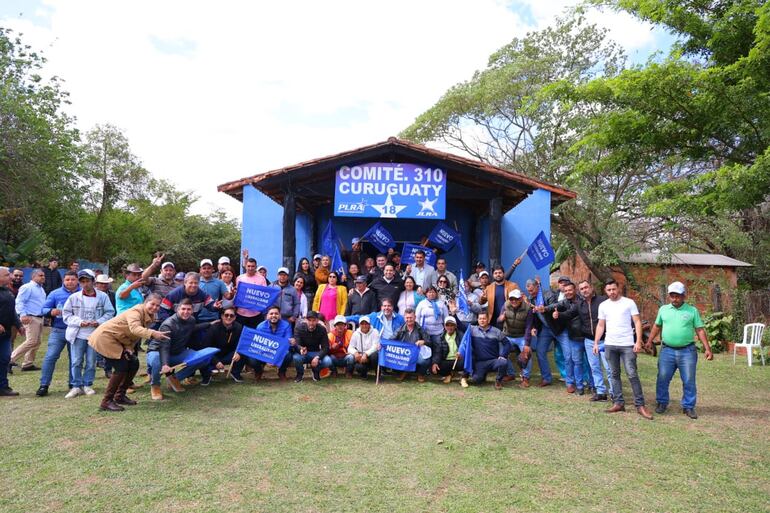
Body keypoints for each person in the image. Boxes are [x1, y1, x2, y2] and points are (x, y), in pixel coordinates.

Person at [88, 294, 170, 412]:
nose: (155, 307)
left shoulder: (149, 315)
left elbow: (133, 335)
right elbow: (135, 329)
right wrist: (152, 333)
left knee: (133, 363)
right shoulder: (136, 311)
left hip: (119, 339)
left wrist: (129, 347)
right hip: (105, 338)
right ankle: (106, 401)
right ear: (145, 303)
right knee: (121, 366)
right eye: (152, 304)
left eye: (158, 305)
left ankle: (120, 396)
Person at [647, 281, 712, 419]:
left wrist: (707, 349)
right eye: (672, 296)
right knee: (663, 377)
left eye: (678, 296)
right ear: (669, 296)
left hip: (687, 352)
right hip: (667, 351)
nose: (675, 299)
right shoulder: (663, 310)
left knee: (689, 379)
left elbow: (699, 330)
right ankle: (662, 403)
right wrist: (649, 341)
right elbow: (656, 326)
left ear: (684, 296)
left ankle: (688, 407)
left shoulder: (692, 311)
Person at [594, 279, 653, 420]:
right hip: (610, 344)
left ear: (618, 288)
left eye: (614, 289)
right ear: (605, 291)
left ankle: (640, 405)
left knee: (632, 374)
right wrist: (596, 342)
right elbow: (601, 325)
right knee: (614, 374)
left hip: (627, 344)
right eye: (609, 290)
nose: (612, 292)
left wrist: (638, 341)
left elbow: (637, 321)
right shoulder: (603, 305)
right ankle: (618, 402)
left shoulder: (629, 302)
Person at [146, 298, 217, 400]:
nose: (186, 312)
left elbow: (193, 328)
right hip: (157, 351)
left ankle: (175, 378)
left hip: (176, 352)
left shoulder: (191, 320)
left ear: (192, 311)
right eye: (183, 309)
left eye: (189, 309)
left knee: (203, 359)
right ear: (177, 309)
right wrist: (165, 364)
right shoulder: (168, 324)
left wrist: (209, 324)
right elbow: (164, 346)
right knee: (157, 360)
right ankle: (155, 386)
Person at [60, 270, 115, 398]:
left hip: (94, 334)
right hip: (78, 334)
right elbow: (66, 314)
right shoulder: (74, 297)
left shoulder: (103, 296)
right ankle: (76, 386)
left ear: (93, 281)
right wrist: (79, 322)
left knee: (91, 361)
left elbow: (110, 312)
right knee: (76, 361)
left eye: (87, 281)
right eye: (82, 281)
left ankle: (87, 384)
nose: (85, 284)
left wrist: (99, 321)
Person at [36, 270, 80, 396]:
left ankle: (74, 383)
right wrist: (51, 311)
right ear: (63, 281)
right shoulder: (55, 294)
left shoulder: (83, 293)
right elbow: (43, 309)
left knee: (75, 358)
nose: (70, 282)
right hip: (58, 330)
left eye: (73, 279)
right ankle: (44, 385)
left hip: (77, 331)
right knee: (50, 357)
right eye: (67, 280)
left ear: (77, 280)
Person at [541, 281, 586, 394]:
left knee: (587, 361)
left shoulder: (582, 301)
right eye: (565, 291)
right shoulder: (565, 302)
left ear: (575, 290)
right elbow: (555, 305)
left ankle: (590, 383)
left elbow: (571, 312)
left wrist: (559, 315)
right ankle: (570, 383)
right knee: (570, 358)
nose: (568, 292)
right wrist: (545, 309)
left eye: (570, 290)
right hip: (573, 335)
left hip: (586, 335)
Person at [232, 305, 295, 382]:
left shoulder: (286, 325)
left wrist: (274, 358)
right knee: (252, 358)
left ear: (280, 316)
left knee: (288, 354)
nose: (274, 315)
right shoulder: (260, 327)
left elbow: (286, 344)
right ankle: (259, 371)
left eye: (276, 313)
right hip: (263, 352)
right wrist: (268, 358)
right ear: (267, 316)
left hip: (279, 351)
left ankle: (281, 372)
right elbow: (257, 346)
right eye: (271, 314)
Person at [576, 280, 612, 401]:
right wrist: (557, 315)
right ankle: (601, 391)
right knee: (594, 367)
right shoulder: (580, 304)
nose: (584, 290)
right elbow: (568, 312)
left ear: (591, 287)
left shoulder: (603, 301)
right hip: (589, 341)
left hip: (605, 340)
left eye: (586, 287)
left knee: (609, 367)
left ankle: (614, 392)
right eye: (581, 289)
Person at [457, 311, 511, 389]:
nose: (482, 320)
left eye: (484, 319)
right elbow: (460, 325)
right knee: (476, 380)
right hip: (480, 363)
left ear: (488, 320)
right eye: (480, 319)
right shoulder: (472, 329)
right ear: (478, 320)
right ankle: (482, 375)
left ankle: (498, 381)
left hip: (493, 361)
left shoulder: (496, 331)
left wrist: (503, 355)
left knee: (504, 362)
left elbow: (507, 343)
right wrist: (453, 313)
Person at [10, 268, 46, 371]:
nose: (43, 277)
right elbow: (19, 301)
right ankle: (10, 360)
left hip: (39, 317)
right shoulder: (27, 287)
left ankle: (28, 364)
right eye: (40, 275)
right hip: (30, 317)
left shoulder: (41, 289)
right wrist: (22, 314)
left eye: (43, 275)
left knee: (37, 341)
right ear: (33, 276)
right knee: (31, 341)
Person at [526, 278, 558, 387]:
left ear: (537, 287)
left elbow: (555, 306)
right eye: (529, 291)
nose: (530, 293)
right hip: (545, 329)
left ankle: (572, 381)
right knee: (540, 352)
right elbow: (534, 315)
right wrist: (534, 327)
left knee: (567, 355)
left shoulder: (548, 294)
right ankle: (546, 378)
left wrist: (544, 308)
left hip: (558, 328)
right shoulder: (531, 298)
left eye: (532, 290)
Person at [500, 289, 534, 387]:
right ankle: (511, 374)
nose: (514, 301)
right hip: (508, 335)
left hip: (521, 336)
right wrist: (501, 319)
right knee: (501, 352)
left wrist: (527, 344)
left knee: (527, 353)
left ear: (520, 299)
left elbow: (528, 327)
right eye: (511, 299)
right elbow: (499, 320)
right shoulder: (506, 305)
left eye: (516, 299)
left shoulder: (528, 309)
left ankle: (526, 378)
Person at [0, 267, 23, 396]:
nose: (11, 276)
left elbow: (12, 311)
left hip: (5, 333)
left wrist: (19, 324)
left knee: (4, 359)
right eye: (7, 274)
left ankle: (3, 387)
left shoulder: (7, 291)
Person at [393, 308, 431, 382]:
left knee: (425, 361)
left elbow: (429, 341)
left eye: (411, 317)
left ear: (415, 317)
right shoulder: (400, 329)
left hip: (416, 353)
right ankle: (404, 371)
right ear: (404, 318)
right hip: (404, 354)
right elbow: (391, 339)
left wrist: (423, 341)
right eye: (407, 318)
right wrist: (382, 344)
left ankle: (420, 374)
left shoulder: (420, 329)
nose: (409, 320)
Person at [292, 311, 331, 382]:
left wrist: (317, 357)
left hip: (316, 352)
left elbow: (325, 347)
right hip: (304, 353)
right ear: (305, 320)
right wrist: (300, 349)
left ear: (317, 321)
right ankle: (300, 374)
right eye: (309, 320)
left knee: (328, 361)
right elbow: (296, 343)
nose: (311, 323)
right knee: (296, 357)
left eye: (314, 320)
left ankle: (316, 371)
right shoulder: (299, 328)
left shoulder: (322, 329)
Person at [204, 306, 242, 376]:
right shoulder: (213, 328)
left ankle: (235, 373)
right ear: (222, 316)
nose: (229, 317)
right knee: (205, 361)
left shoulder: (239, 327)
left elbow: (240, 345)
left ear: (235, 317)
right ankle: (207, 374)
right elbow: (206, 347)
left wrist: (238, 353)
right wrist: (216, 361)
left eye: (231, 315)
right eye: (226, 315)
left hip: (228, 355)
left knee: (241, 354)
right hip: (214, 355)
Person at [235, 257, 268, 328]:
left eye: (252, 266)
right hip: (241, 313)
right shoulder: (239, 278)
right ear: (245, 266)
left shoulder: (261, 279)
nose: (250, 268)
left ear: (256, 267)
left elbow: (264, 294)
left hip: (256, 314)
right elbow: (237, 294)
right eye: (248, 266)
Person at [431, 316, 464, 383]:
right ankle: (448, 375)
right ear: (444, 326)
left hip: (458, 360)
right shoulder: (440, 337)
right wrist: (435, 363)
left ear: (455, 326)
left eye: (452, 325)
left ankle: (462, 377)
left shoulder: (461, 335)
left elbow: (465, 348)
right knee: (434, 367)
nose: (450, 327)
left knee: (466, 363)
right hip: (446, 360)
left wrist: (462, 354)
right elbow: (438, 352)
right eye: (447, 325)